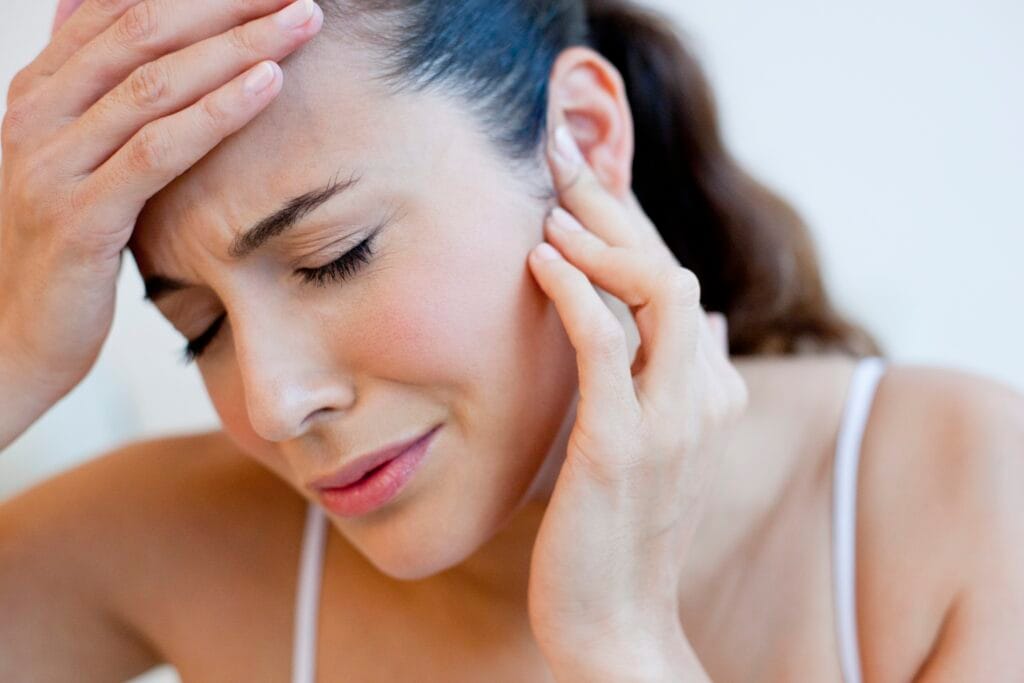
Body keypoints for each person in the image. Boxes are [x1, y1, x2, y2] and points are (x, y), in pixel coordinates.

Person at [1, 0, 1021, 680]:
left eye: (334, 256)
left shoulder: (971, 498)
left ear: (577, 138)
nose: (271, 403)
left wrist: (619, 643)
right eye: (200, 327)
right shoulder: (189, 542)